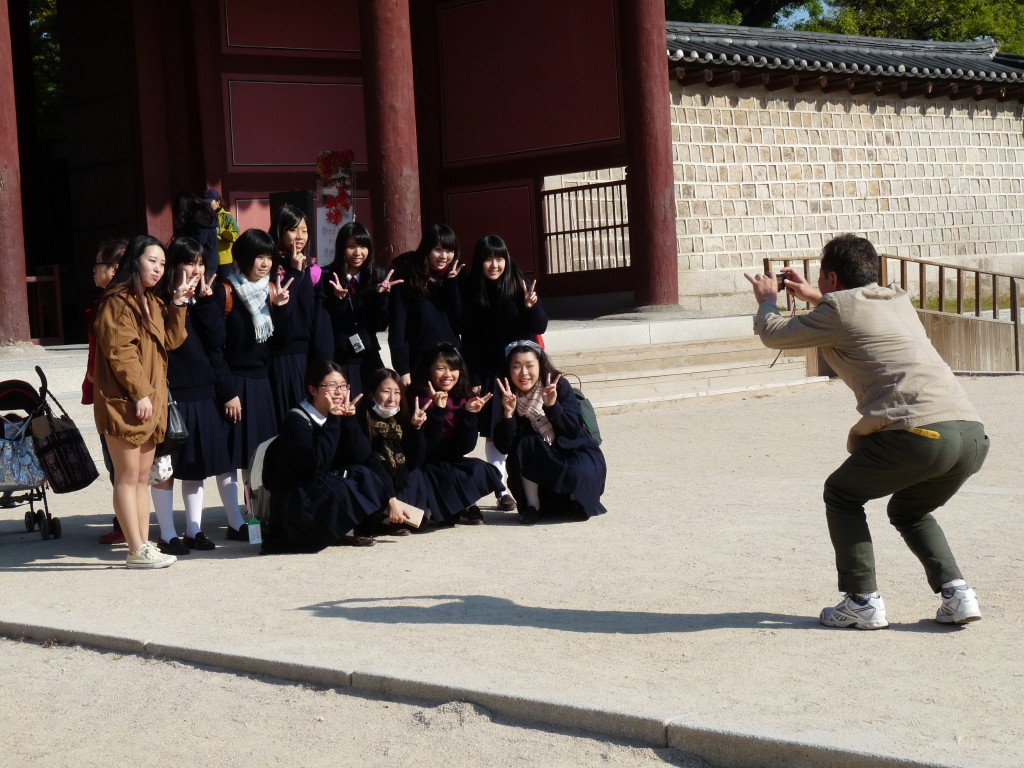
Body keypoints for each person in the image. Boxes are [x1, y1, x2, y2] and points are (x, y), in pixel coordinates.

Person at [744, 233, 989, 629]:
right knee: (910, 510)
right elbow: (852, 311)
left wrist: (767, 299)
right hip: (971, 435)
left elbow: (774, 334)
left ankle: (862, 601)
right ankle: (958, 594)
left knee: (841, 494)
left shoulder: (837, 310)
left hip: (917, 435)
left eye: (822, 280)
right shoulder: (896, 300)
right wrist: (813, 296)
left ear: (833, 279)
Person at [92, 235, 196, 568]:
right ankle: (135, 547)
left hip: (150, 401)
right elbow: (120, 351)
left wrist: (178, 305)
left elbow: (171, 340)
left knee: (141, 478)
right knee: (126, 476)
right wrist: (139, 392)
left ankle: (143, 544)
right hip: (126, 401)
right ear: (135, 260)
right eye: (153, 261)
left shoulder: (152, 301)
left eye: (163, 264)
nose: (158, 268)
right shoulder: (118, 301)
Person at [260, 361, 415, 552]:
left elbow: (365, 457)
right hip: (295, 499)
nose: (339, 392)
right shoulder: (297, 420)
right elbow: (317, 466)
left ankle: (356, 528)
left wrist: (391, 498)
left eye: (343, 386)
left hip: (317, 490)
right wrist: (334, 420)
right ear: (313, 390)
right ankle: (341, 532)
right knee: (345, 486)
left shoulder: (338, 415)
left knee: (365, 474)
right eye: (331, 386)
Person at [149, 237, 237, 555]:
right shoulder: (158, 300)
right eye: (189, 262)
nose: (196, 269)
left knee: (196, 466)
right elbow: (169, 343)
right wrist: (178, 303)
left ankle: (194, 530)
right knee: (167, 466)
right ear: (173, 265)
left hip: (203, 391)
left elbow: (217, 342)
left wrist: (208, 303)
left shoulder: (204, 298)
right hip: (173, 393)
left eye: (200, 262)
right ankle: (167, 533)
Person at [209, 228, 293, 541]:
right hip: (234, 383)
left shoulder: (271, 290)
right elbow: (216, 348)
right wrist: (228, 391)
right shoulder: (226, 291)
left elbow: (280, 342)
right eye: (259, 256)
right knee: (231, 455)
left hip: (262, 383)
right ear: (244, 257)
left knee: (258, 456)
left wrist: (282, 308)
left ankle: (253, 515)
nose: (265, 262)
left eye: (270, 256)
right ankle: (234, 520)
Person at [461, 235, 548, 511]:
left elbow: (540, 326)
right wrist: (473, 377)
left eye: (499, 258)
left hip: (522, 369)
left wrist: (532, 306)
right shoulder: (473, 291)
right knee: (495, 431)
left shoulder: (518, 283)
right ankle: (501, 490)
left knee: (532, 424)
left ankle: (537, 484)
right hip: (492, 371)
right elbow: (470, 340)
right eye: (488, 258)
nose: (494, 264)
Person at [494, 341, 607, 525]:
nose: (524, 373)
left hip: (572, 448)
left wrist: (553, 406)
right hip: (538, 459)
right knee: (525, 444)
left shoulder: (557, 385)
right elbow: (504, 446)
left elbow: (573, 431)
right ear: (508, 369)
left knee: (580, 466)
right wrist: (508, 413)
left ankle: (574, 500)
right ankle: (533, 505)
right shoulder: (506, 394)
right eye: (516, 366)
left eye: (529, 366)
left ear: (540, 365)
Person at [411, 343, 502, 526]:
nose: (447, 375)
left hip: (449, 460)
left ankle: (459, 506)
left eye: (453, 369)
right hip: (423, 464)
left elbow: (464, 448)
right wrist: (438, 412)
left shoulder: (462, 397)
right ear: (429, 369)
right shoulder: (417, 398)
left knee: (480, 470)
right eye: (440, 368)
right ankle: (430, 508)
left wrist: (469, 414)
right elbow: (425, 448)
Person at [268, 204, 333, 424]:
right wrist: (294, 272)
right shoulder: (270, 266)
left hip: (307, 355)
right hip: (282, 355)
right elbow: (282, 305)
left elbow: (317, 315)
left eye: (304, 230)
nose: (300, 236)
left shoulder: (313, 270)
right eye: (293, 229)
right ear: (280, 231)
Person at [323, 222, 403, 397]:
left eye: (363, 246)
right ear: (341, 248)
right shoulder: (328, 278)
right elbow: (330, 322)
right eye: (351, 246)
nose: (358, 253)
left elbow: (379, 325)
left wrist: (381, 297)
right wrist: (338, 300)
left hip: (368, 357)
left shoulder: (377, 278)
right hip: (339, 359)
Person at [84, 238, 128, 545]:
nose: (94, 271)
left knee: (121, 467)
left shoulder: (112, 306)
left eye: (99, 264)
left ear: (115, 269)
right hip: (107, 390)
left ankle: (127, 526)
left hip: (114, 393)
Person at [388, 224, 465, 386]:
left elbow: (460, 324)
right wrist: (403, 369)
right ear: (426, 249)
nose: (444, 256)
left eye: (450, 250)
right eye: (438, 249)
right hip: (420, 362)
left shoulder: (456, 277)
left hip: (451, 362)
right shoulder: (408, 277)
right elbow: (398, 328)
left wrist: (452, 286)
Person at [356, 367, 433, 528]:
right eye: (386, 391)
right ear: (373, 393)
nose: (392, 398)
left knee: (416, 473)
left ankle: (400, 517)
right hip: (374, 484)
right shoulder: (360, 421)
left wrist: (416, 430)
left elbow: (415, 461)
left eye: (397, 392)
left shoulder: (402, 421)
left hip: (397, 483)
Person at [173, 191, 218, 276]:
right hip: (209, 261)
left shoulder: (199, 219)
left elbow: (195, 245)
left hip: (202, 264)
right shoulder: (204, 215)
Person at [205, 188, 240, 279]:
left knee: (224, 287)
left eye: (209, 202)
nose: (207, 204)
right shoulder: (205, 217)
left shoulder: (227, 217)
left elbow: (236, 236)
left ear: (218, 201)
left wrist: (220, 231)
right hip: (209, 259)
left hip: (224, 261)